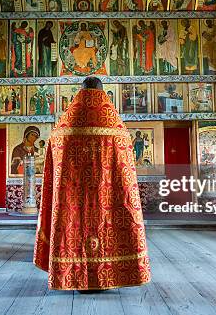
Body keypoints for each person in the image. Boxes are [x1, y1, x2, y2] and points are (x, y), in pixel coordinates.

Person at [34, 76, 151, 291]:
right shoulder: (119, 133)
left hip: (72, 204)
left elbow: (52, 178)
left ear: (79, 92)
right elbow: (127, 180)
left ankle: (74, 278)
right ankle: (109, 276)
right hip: (107, 202)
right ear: (103, 92)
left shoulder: (61, 132)